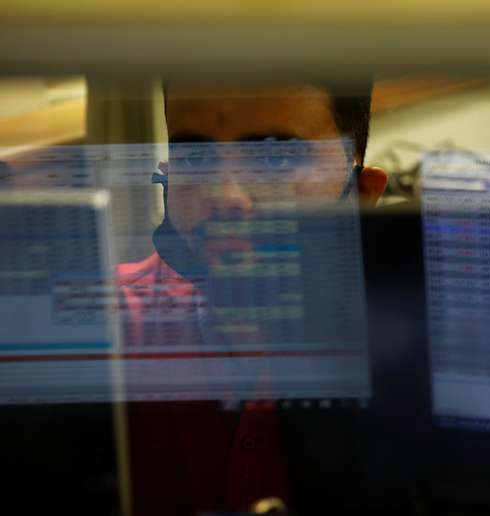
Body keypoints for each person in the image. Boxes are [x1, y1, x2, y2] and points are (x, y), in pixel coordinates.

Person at [116, 80, 387, 516]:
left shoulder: (415, 355)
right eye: (196, 157)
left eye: (276, 157)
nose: (225, 197)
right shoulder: (100, 331)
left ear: (363, 191)